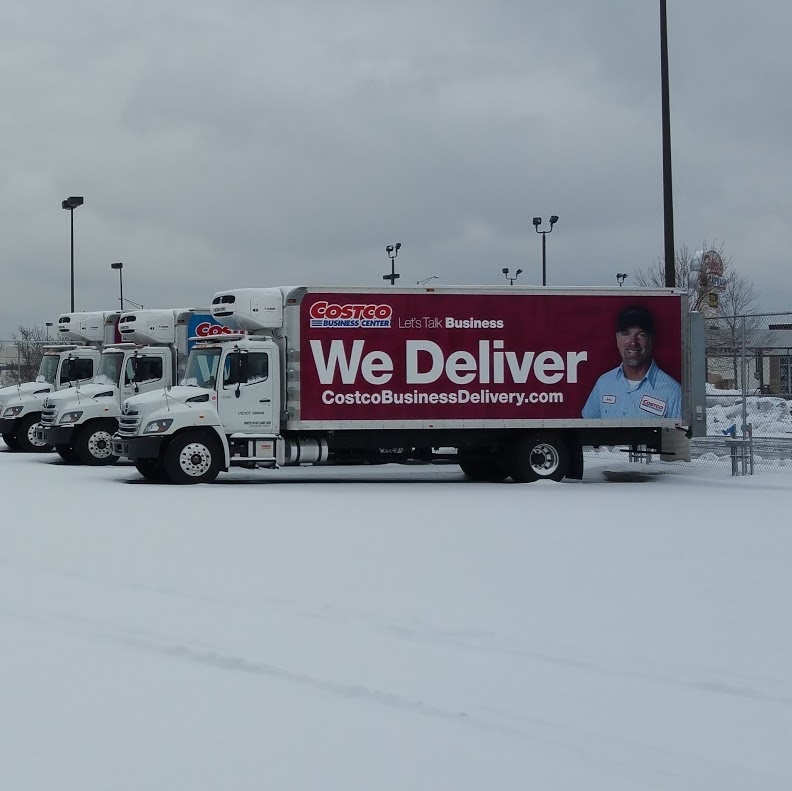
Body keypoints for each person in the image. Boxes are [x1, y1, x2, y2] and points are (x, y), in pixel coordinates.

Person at [582, 305, 682, 419]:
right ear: (617, 339)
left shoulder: (673, 392)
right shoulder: (604, 383)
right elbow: (587, 431)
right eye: (626, 334)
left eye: (641, 335)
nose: (633, 343)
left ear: (651, 340)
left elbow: (677, 436)